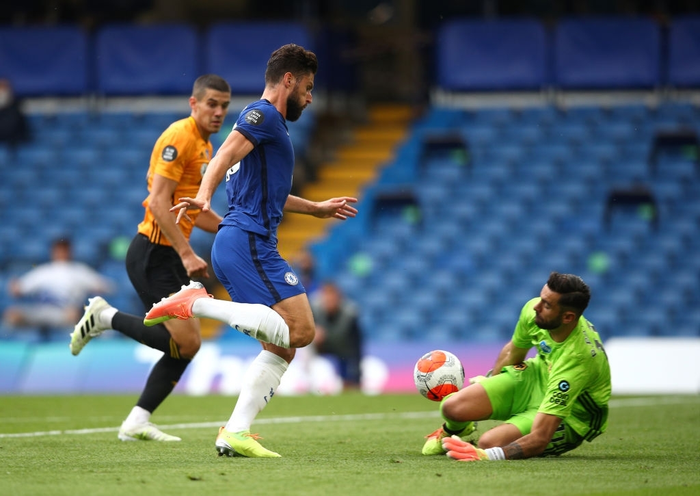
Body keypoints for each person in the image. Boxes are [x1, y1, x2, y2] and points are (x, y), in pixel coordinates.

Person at [142, 43, 358, 458]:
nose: (311, 97)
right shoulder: (262, 116)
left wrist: (315, 208)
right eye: (308, 87)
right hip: (248, 241)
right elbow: (221, 156)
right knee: (304, 331)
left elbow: (270, 191)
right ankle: (197, 304)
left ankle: (235, 433)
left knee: (282, 347)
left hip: (242, 240)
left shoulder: (266, 126)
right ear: (288, 80)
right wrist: (204, 195)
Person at [69, 74, 232, 442]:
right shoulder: (179, 137)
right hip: (153, 254)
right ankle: (104, 316)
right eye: (212, 104)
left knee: (187, 345)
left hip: (168, 256)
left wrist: (228, 229)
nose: (219, 112)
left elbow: (192, 210)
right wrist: (188, 253)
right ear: (194, 104)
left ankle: (136, 422)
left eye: (224, 105)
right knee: (187, 344)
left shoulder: (206, 146)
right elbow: (159, 203)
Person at [421, 272, 611, 462]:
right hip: (535, 377)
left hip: (571, 415)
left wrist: (488, 455)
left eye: (546, 305)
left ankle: (492, 444)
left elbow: (541, 438)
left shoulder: (577, 359)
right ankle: (455, 429)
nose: (536, 306)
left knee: (489, 443)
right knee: (452, 407)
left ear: (568, 317)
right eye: (541, 297)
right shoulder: (534, 311)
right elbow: (513, 352)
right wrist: (489, 383)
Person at [2, 238, 113, 340]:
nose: (61, 253)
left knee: (74, 315)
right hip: (42, 310)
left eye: (64, 250)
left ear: (69, 251)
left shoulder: (79, 270)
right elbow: (19, 289)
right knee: (12, 314)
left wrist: (97, 289)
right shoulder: (44, 271)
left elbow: (108, 287)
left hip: (65, 313)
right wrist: (14, 286)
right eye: (58, 250)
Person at [311, 281, 363, 390]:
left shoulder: (349, 314)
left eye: (332, 298)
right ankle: (309, 382)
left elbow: (357, 345)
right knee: (306, 344)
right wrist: (312, 332)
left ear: (339, 298)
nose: (330, 301)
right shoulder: (314, 309)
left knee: (349, 382)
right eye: (326, 298)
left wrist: (357, 375)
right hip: (321, 350)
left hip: (343, 350)